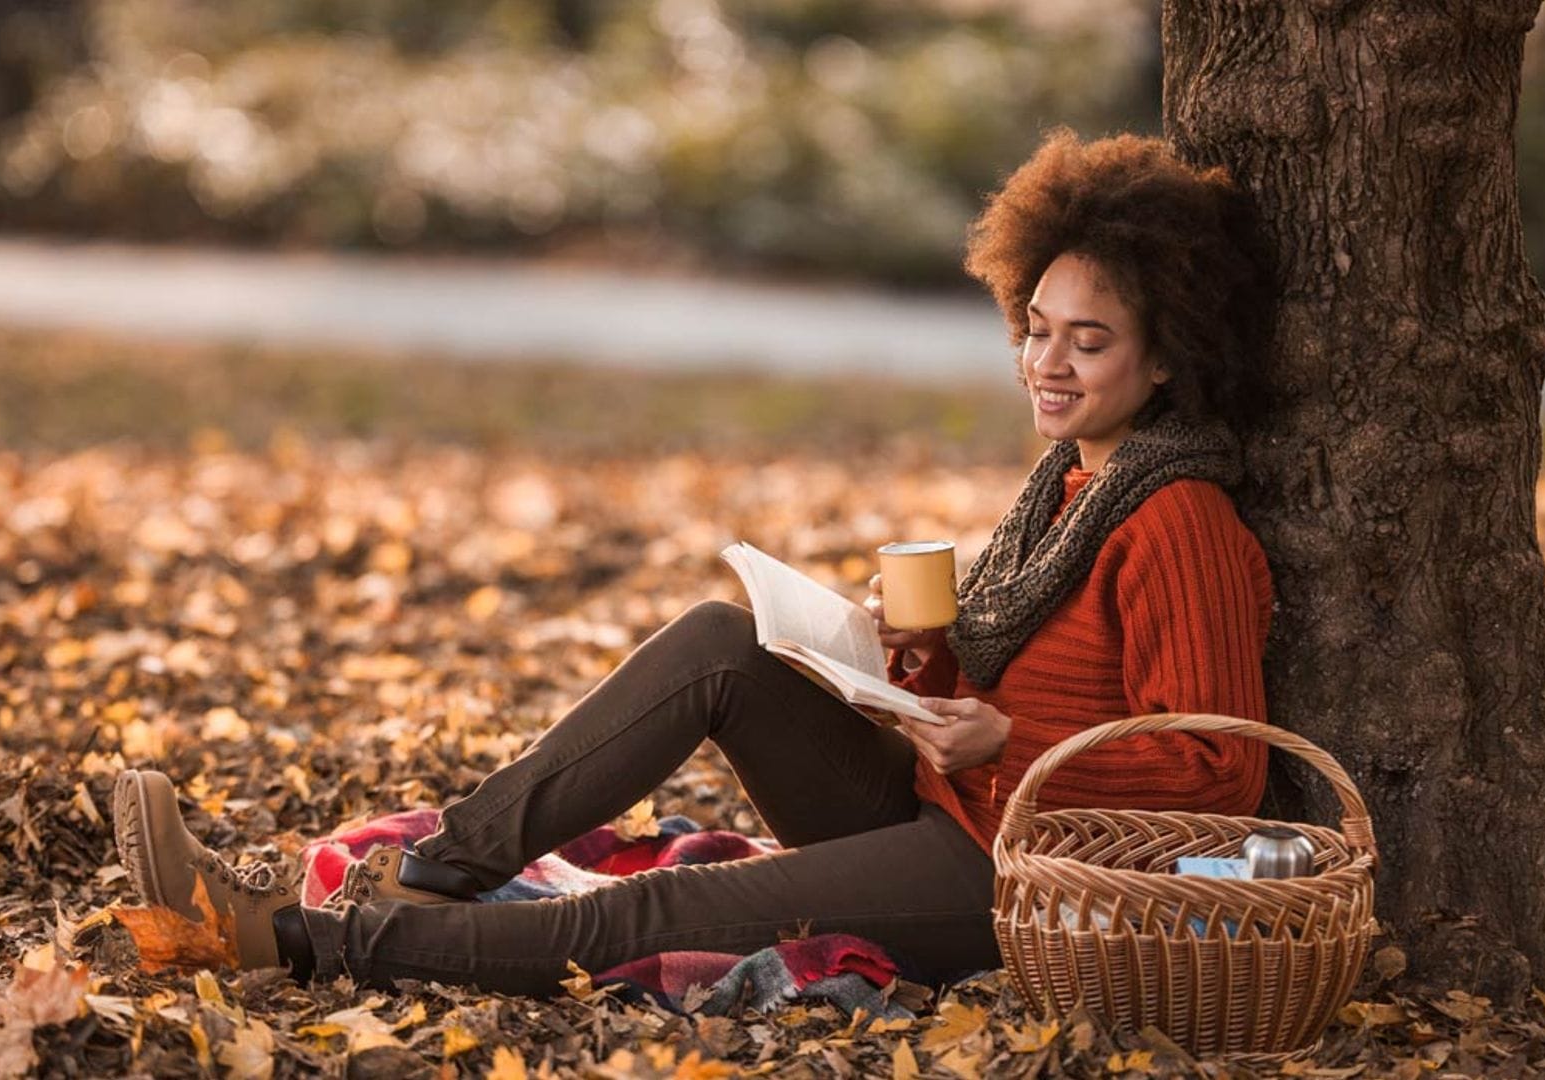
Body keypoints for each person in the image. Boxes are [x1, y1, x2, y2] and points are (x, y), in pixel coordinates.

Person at [111, 129, 1279, 993]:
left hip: (1013, 877)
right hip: (942, 800)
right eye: (1036, 328)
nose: (1049, 363)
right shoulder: (1071, 483)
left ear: (1167, 357)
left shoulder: (1178, 519)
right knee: (720, 644)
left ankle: (298, 941)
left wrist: (1006, 743)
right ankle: (444, 870)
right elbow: (1024, 683)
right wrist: (896, 665)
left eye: (1091, 341)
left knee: (667, 905)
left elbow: (1219, 780)